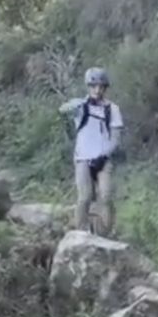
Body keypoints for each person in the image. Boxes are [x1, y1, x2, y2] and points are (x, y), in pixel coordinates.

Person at [59, 67, 124, 235]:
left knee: (106, 195)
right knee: (85, 197)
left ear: (105, 88)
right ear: (89, 87)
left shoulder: (112, 109)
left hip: (103, 159)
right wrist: (76, 104)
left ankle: (105, 233)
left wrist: (104, 156)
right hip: (82, 158)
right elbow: (63, 110)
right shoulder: (80, 107)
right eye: (94, 86)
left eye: (101, 87)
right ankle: (80, 232)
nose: (97, 90)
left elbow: (116, 138)